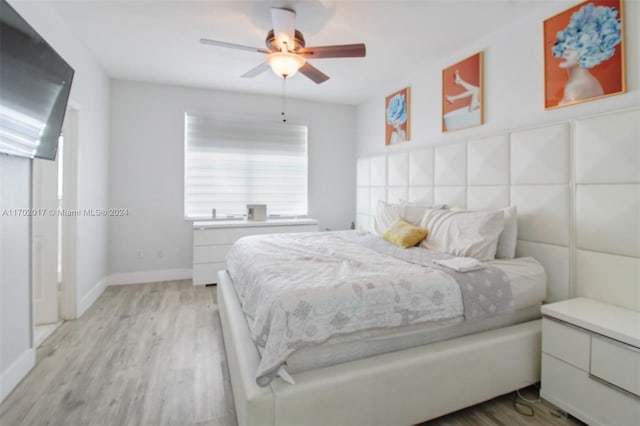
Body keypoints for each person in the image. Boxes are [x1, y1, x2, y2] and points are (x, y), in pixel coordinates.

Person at [552, 2, 622, 105]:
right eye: (566, 44)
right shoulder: (577, 83)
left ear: (590, 50)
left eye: (578, 46)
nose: (566, 52)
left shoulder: (578, 88)